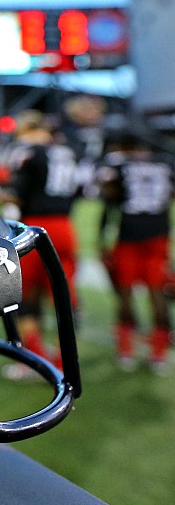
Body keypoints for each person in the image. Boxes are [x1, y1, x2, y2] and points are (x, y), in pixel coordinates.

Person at [2, 110, 79, 377]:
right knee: (62, 296)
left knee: (26, 296)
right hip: (66, 226)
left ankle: (34, 361)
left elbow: (17, 194)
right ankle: (62, 362)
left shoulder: (26, 149)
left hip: (34, 226)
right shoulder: (65, 152)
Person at [97, 131, 174, 374]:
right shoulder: (164, 163)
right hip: (158, 234)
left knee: (125, 292)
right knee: (157, 292)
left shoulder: (119, 164)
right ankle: (159, 353)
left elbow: (109, 200)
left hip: (129, 234)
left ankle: (126, 349)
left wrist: (102, 237)